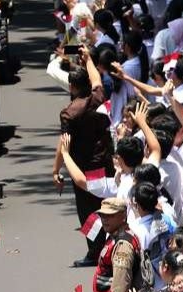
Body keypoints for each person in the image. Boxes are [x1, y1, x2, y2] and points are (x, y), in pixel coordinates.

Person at [54, 45, 114, 266]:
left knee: (87, 213)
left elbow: (64, 143)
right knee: (106, 204)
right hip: (105, 163)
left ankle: (94, 252)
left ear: (71, 86)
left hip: (83, 169)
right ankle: (110, 246)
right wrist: (88, 58)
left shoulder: (69, 113)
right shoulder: (98, 96)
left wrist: (55, 170)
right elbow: (97, 79)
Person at [91, 198, 146, 292]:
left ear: (122, 216)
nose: (104, 219)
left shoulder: (123, 246)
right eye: (102, 215)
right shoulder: (114, 235)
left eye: (109, 215)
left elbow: (120, 286)